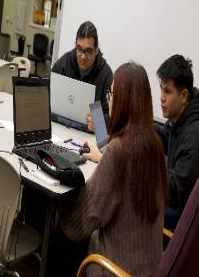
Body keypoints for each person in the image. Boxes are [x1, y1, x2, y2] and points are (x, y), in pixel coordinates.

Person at [53, 62, 167, 277]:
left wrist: (59, 200)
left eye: (112, 93)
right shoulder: (155, 145)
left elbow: (85, 220)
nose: (109, 99)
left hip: (113, 268)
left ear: (123, 99)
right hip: (148, 268)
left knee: (59, 240)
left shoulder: (119, 150)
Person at [156, 54, 199, 231]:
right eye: (161, 89)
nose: (161, 97)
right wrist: (139, 127)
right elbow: (162, 136)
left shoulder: (195, 137)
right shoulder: (181, 120)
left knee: (130, 205)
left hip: (185, 223)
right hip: (181, 211)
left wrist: (141, 173)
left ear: (184, 96)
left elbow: (173, 192)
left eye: (167, 91)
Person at [52, 21, 113, 128]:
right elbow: (47, 93)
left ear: (96, 50)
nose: (83, 56)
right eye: (79, 49)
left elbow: (111, 115)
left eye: (88, 51)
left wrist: (99, 123)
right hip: (59, 127)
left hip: (88, 135)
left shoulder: (106, 74)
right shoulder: (64, 63)